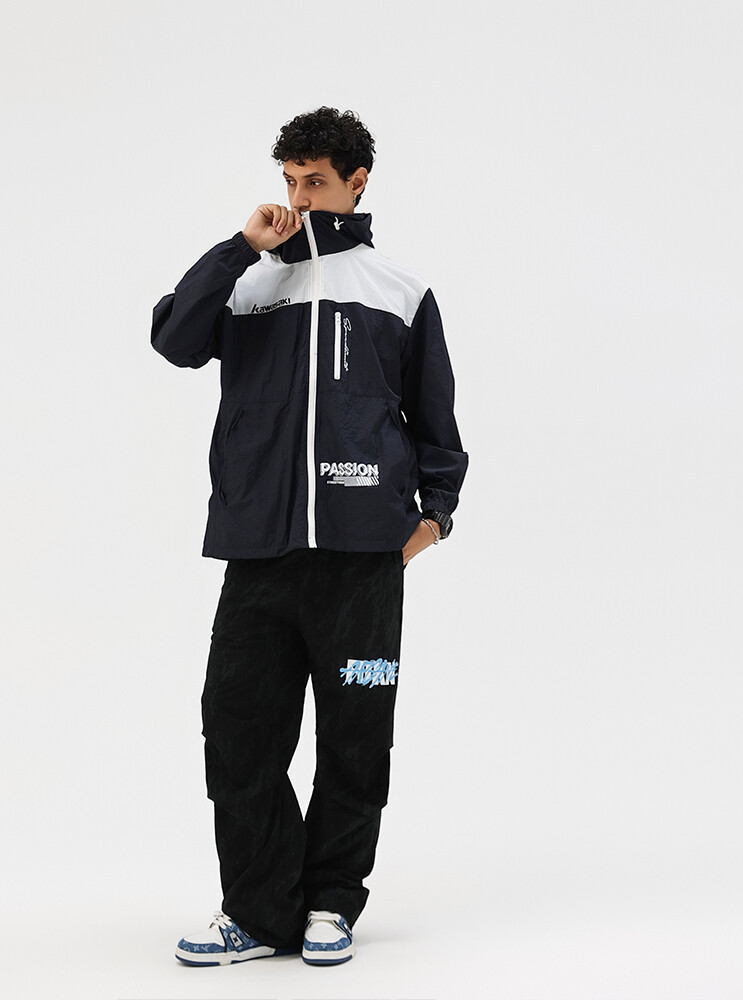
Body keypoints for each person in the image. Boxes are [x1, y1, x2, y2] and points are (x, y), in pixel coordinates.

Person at [150, 107, 467, 967]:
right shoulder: (250, 284)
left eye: (316, 182)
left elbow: (436, 422)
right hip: (260, 555)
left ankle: (330, 902)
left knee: (357, 738)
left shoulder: (399, 290)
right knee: (238, 733)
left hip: (364, 564)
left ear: (357, 182)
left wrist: (432, 519)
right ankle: (258, 912)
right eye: (289, 180)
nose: (298, 198)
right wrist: (238, 248)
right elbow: (174, 340)